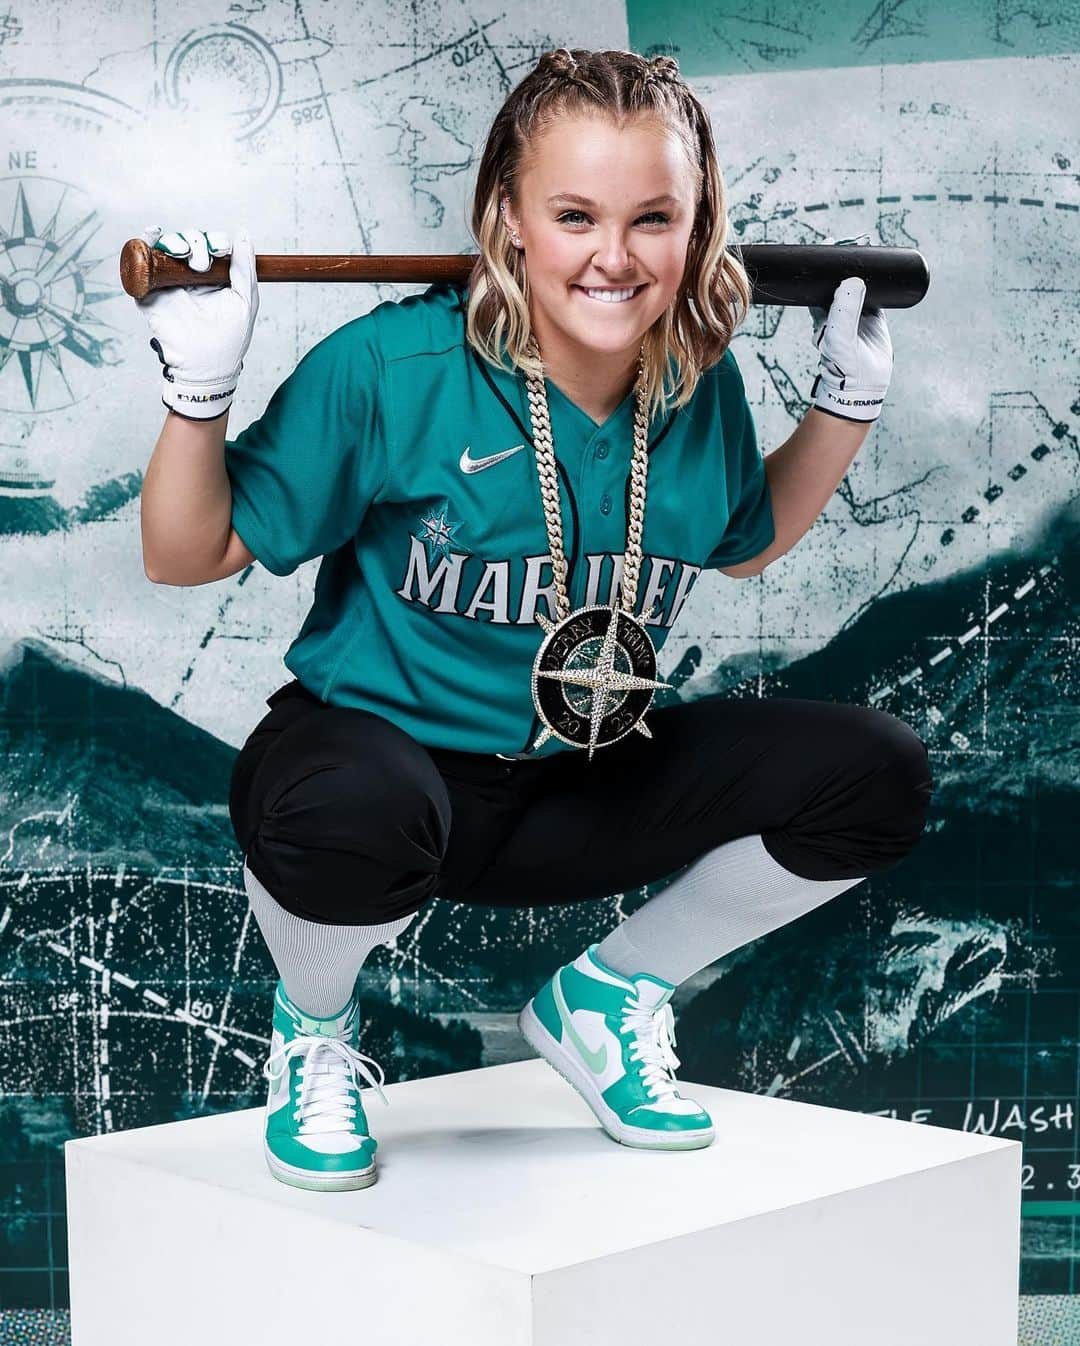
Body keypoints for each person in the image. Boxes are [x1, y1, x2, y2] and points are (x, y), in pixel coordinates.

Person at [137, 47, 930, 1194]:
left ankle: (606, 1000)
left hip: (584, 779)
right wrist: (194, 400)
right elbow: (184, 551)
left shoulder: (692, 381)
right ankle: (312, 1024)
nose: (614, 256)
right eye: (575, 215)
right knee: (346, 809)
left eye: (653, 218)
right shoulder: (392, 367)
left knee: (875, 775)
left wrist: (843, 406)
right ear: (509, 218)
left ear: (697, 226)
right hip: (387, 779)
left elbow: (741, 537)